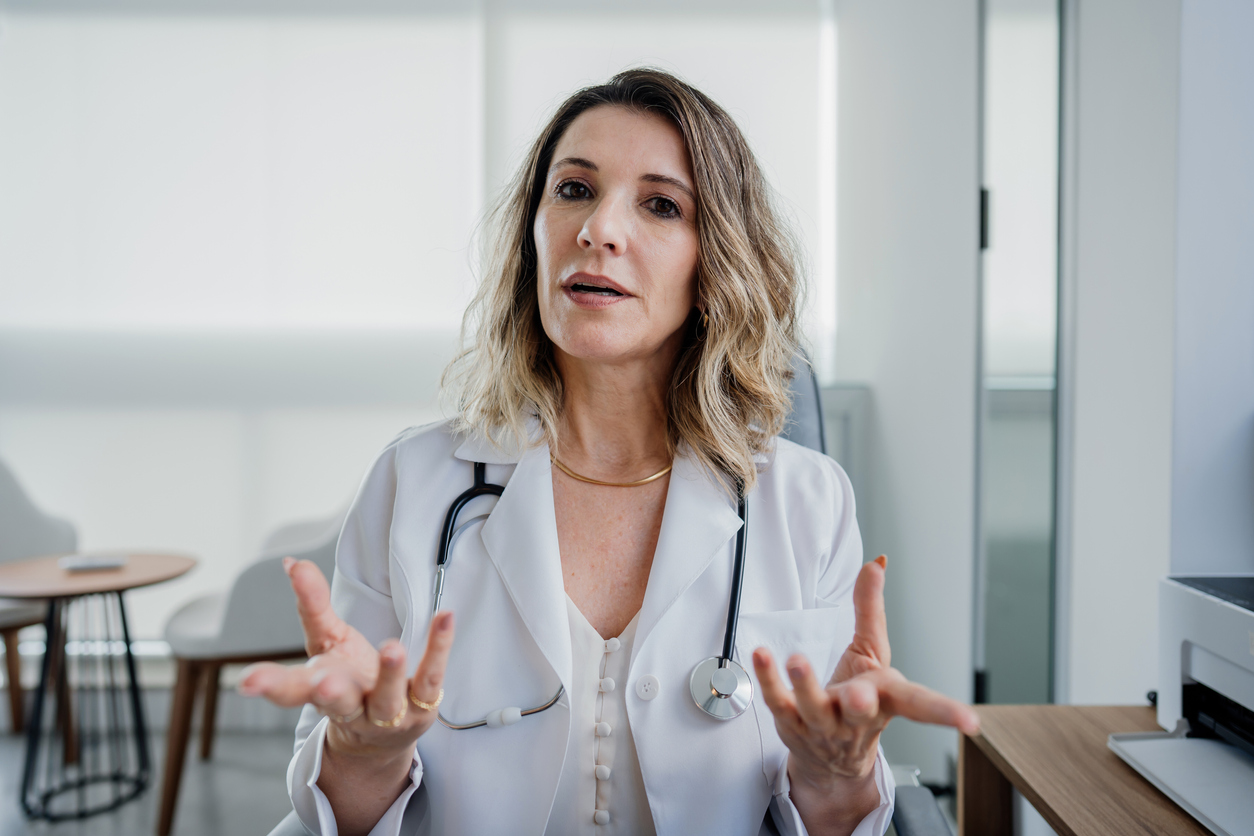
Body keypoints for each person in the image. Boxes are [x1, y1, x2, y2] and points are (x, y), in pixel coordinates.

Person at [239, 68, 979, 836]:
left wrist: (840, 776)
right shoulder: (414, 483)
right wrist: (362, 755)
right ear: (534, 232)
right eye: (574, 190)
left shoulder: (807, 504)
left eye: (661, 204)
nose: (598, 230)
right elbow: (339, 818)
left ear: (716, 259)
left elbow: (831, 821)